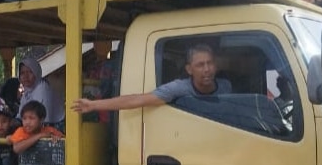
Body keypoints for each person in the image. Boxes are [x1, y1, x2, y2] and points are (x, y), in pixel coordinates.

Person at [72, 43, 231, 114]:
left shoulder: (226, 87)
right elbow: (136, 100)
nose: (207, 69)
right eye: (200, 65)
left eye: (210, 63)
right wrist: (93, 105)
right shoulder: (179, 88)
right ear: (189, 69)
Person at [17, 57, 63, 128]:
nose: (26, 76)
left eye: (30, 72)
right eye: (22, 73)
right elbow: (21, 115)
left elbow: (44, 119)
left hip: (52, 127)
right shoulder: (27, 92)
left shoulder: (43, 88)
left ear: (36, 72)